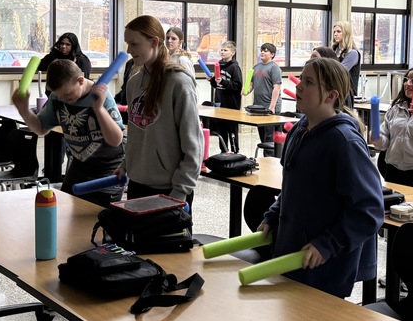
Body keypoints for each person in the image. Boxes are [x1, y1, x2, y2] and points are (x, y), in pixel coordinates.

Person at [259, 58, 385, 298]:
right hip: (290, 255)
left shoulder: (344, 141)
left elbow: (369, 209)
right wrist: (274, 215)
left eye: (309, 82)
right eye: (301, 79)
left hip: (322, 267)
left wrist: (328, 243)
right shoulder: (300, 129)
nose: (298, 87)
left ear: (330, 95)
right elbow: (293, 188)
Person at [12, 59, 124, 207]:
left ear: (81, 80)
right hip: (79, 165)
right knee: (66, 214)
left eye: (68, 95)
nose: (65, 99)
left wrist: (99, 109)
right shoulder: (57, 96)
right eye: (60, 96)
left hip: (108, 168)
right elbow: (41, 129)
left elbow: (116, 140)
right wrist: (24, 110)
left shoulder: (101, 95)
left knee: (97, 219)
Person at [116, 16, 201, 207]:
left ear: (154, 42)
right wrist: (126, 164)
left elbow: (193, 144)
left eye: (134, 44)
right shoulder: (133, 83)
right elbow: (136, 132)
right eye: (128, 44)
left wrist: (180, 191)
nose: (129, 51)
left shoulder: (179, 82)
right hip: (137, 183)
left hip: (169, 188)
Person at [208, 40, 243, 152]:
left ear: (232, 52)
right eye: (221, 50)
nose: (222, 52)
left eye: (225, 50)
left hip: (231, 104)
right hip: (219, 103)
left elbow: (237, 85)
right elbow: (216, 85)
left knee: (231, 129)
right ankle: (223, 151)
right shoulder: (219, 65)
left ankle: (234, 151)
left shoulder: (234, 67)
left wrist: (223, 81)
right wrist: (212, 80)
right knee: (221, 130)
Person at [251, 42, 282, 144]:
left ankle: (270, 158)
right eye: (261, 50)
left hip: (270, 107)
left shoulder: (274, 68)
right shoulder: (256, 67)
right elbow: (251, 84)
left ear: (272, 54)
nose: (262, 53)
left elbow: (276, 87)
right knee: (262, 137)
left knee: (269, 139)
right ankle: (265, 158)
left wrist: (272, 106)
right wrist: (244, 91)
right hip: (259, 107)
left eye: (266, 51)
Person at [331, 21, 362, 105]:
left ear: (346, 33)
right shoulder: (333, 50)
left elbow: (339, 71)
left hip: (345, 94)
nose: (335, 34)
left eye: (338, 31)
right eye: (334, 32)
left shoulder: (352, 53)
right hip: (333, 91)